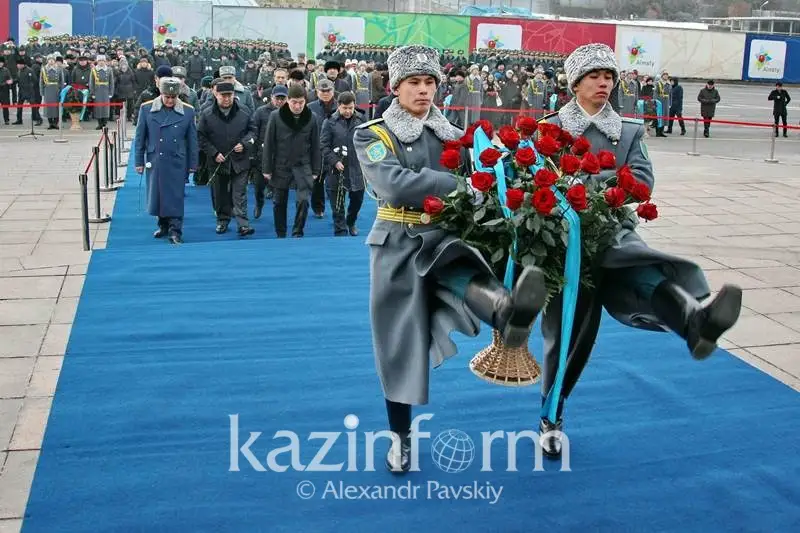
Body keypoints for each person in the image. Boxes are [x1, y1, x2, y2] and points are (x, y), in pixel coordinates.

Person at [536, 44, 742, 458]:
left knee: (646, 276)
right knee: (569, 336)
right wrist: (599, 184)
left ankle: (693, 320)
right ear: (575, 82)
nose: (604, 83)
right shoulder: (550, 127)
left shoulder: (628, 130)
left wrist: (596, 191)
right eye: (594, 76)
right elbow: (535, 178)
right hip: (563, 243)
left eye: (609, 76)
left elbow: (643, 180)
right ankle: (551, 416)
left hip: (613, 232)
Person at [354, 45, 548, 474]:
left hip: (444, 233)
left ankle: (508, 311)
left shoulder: (453, 133)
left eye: (429, 83)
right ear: (395, 87)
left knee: (462, 267)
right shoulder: (373, 134)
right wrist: (459, 186)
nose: (423, 91)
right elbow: (395, 185)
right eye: (414, 83)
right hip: (398, 241)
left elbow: (486, 170)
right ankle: (400, 438)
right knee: (398, 345)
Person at [134, 77, 199, 245]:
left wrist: (193, 164)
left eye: (173, 97)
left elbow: (192, 140)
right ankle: (163, 225)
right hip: (156, 159)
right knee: (158, 194)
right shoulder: (147, 109)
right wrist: (138, 161)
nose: (170, 100)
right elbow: (140, 137)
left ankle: (175, 230)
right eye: (166, 97)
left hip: (176, 160)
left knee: (175, 196)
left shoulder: (188, 111)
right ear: (161, 94)